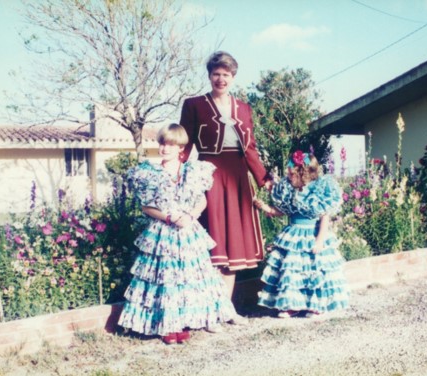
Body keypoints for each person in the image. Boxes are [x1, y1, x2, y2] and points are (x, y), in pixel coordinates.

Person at [118, 123, 238, 345]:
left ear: (180, 148)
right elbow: (146, 207)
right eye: (163, 143)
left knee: (190, 277)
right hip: (163, 231)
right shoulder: (149, 173)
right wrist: (170, 217)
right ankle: (166, 325)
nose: (165, 148)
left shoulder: (193, 171)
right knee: (166, 278)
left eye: (171, 144)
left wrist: (191, 216)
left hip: (188, 229)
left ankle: (185, 321)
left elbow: (202, 199)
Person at [180, 51, 272, 306]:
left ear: (233, 77)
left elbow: (250, 148)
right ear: (209, 75)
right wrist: (176, 173)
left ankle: (226, 309)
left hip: (238, 178)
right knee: (214, 242)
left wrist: (264, 179)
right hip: (209, 175)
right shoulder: (194, 104)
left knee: (232, 248)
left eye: (226, 75)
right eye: (216, 74)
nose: (221, 79)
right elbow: (185, 143)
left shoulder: (243, 108)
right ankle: (208, 308)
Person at [254, 150, 349, 318]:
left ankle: (315, 304)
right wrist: (265, 208)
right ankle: (293, 304)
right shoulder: (288, 189)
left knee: (314, 269)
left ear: (303, 174)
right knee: (292, 270)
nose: (289, 177)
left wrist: (320, 240)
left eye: (292, 174)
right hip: (294, 234)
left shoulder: (318, 190)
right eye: (289, 174)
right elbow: (281, 211)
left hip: (312, 233)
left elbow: (324, 217)